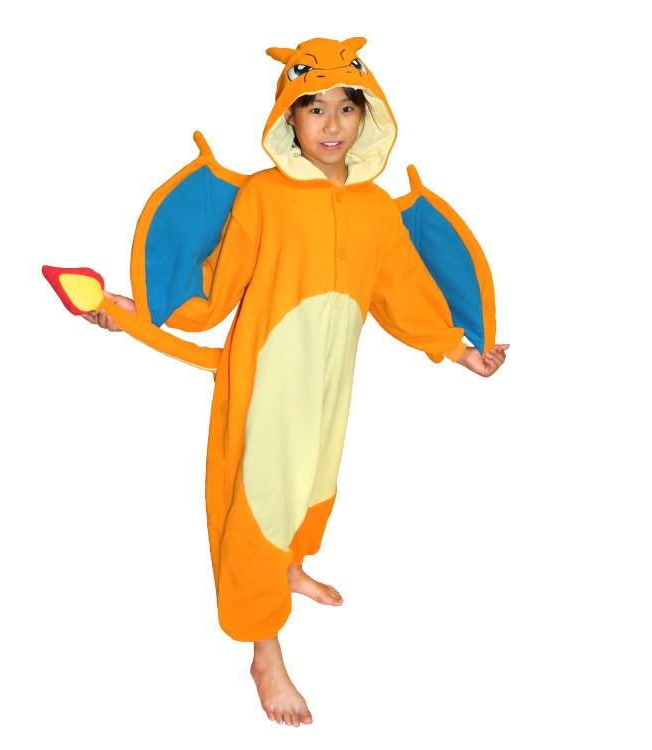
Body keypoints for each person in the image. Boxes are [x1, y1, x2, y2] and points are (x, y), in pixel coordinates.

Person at [82, 38, 509, 727]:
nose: (332, 123)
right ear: (289, 117)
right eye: (314, 108)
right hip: (268, 386)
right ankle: (264, 649)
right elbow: (216, 287)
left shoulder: (375, 209)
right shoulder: (264, 195)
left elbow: (402, 292)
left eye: (347, 107)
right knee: (260, 504)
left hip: (329, 384)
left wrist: (459, 351)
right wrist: (138, 312)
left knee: (313, 485)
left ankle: (288, 568)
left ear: (368, 115)